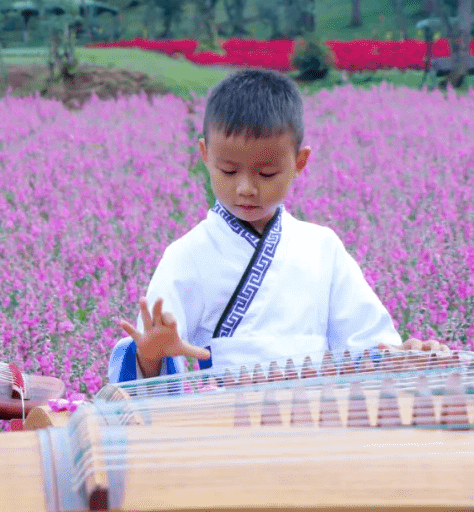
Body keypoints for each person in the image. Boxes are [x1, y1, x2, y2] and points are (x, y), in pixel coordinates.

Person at [109, 69, 444, 382]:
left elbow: (368, 345)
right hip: (225, 429)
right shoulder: (186, 256)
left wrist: (405, 356)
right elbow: (150, 362)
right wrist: (150, 357)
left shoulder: (322, 248)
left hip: (316, 425)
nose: (246, 188)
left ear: (299, 163)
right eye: (228, 171)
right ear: (205, 155)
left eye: (266, 173)